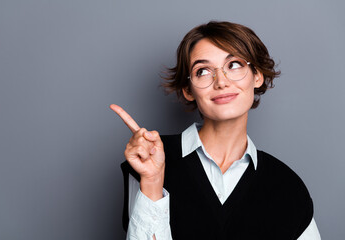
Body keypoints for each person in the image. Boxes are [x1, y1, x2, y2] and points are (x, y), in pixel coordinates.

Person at [110, 21, 321, 240]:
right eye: (202, 71)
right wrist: (153, 182)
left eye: (235, 65)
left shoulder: (286, 186)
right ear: (188, 89)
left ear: (256, 75)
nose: (221, 81)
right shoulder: (149, 161)